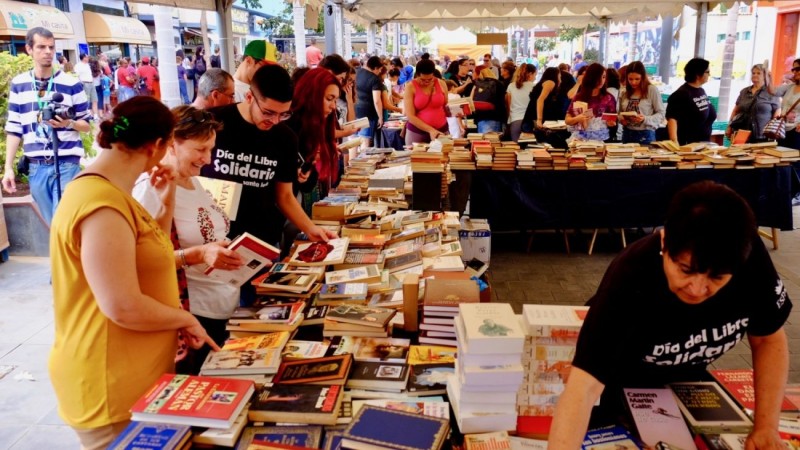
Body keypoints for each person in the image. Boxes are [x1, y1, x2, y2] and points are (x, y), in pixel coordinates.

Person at [548, 181, 792, 450]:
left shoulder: (747, 257)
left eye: (717, 277)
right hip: (617, 386)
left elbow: (768, 339)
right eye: (686, 269)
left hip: (687, 383)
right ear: (664, 242)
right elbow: (584, 388)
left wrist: (767, 428)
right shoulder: (630, 276)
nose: (697, 289)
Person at [49, 96, 218, 449]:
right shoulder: (102, 203)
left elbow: (149, 257)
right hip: (109, 381)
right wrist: (182, 319)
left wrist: (165, 197)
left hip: (135, 377)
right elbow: (121, 305)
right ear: (157, 145)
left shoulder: (114, 193)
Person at [133, 105, 245, 375]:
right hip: (192, 315)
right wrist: (197, 254)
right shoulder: (150, 189)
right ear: (171, 144)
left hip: (222, 307)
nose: (208, 159)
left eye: (210, 149)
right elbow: (144, 264)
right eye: (200, 149)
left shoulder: (193, 182)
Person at [201, 64, 336, 250]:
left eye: (283, 114)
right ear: (249, 97)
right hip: (214, 239)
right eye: (268, 112)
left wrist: (311, 229)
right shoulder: (213, 123)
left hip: (263, 241)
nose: (274, 121)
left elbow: (285, 196)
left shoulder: (285, 138)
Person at [2, 27, 92, 225]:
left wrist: (69, 122)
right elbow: (14, 128)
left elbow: (86, 125)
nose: (48, 52)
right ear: (29, 49)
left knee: (63, 223)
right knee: (53, 225)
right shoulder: (19, 84)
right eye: (41, 47)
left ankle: (69, 255)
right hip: (36, 167)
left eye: (51, 47)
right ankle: (67, 256)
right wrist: (8, 168)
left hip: (67, 162)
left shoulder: (71, 84)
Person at [284, 68, 343, 215]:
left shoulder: (315, 126)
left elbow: (307, 183)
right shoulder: (289, 126)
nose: (333, 106)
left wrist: (306, 173)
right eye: (329, 99)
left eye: (335, 100)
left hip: (291, 204)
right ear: (312, 95)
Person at [666, 57, 716, 145]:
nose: (709, 75)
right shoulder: (682, 94)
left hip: (703, 143)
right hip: (687, 145)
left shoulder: (700, 90)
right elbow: (672, 119)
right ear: (698, 74)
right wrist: (674, 142)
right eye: (707, 72)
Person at [727, 64, 780, 143]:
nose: (755, 75)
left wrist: (773, 130)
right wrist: (729, 126)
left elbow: (777, 113)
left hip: (762, 135)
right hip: (741, 133)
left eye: (758, 73)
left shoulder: (771, 92)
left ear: (765, 76)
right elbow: (735, 111)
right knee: (739, 154)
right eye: (753, 73)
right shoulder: (744, 91)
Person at [565, 63, 617, 142]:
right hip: (580, 139)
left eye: (603, 77)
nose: (601, 80)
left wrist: (611, 123)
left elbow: (612, 120)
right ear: (590, 77)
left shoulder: (609, 98)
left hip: (601, 139)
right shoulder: (579, 97)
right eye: (598, 77)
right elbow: (567, 120)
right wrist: (578, 118)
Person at [403, 59, 449, 145]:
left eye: (430, 79)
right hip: (417, 132)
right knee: (417, 157)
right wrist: (431, 130)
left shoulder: (441, 83)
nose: (426, 82)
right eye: (423, 79)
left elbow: (446, 106)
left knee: (443, 157)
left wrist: (457, 111)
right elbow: (410, 115)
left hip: (441, 130)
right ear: (417, 75)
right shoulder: (410, 87)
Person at [618, 61, 665, 145]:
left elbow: (661, 114)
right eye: (630, 79)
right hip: (627, 133)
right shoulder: (624, 92)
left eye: (637, 79)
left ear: (643, 77)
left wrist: (644, 119)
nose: (633, 82)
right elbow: (619, 113)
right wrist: (621, 119)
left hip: (646, 134)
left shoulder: (651, 90)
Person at [354, 56, 385, 147]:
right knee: (364, 140)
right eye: (379, 70)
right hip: (367, 114)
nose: (379, 72)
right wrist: (380, 117)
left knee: (352, 143)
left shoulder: (356, 73)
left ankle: (350, 161)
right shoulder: (375, 79)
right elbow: (377, 100)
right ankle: (364, 161)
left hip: (353, 111)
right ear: (375, 68)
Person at [506, 63, 537, 142]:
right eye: (535, 75)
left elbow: (508, 106)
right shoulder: (534, 87)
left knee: (515, 149)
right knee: (530, 151)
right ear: (530, 74)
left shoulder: (511, 86)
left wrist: (509, 121)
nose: (535, 77)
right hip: (529, 122)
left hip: (515, 120)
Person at [471, 68, 507, 133]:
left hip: (482, 117)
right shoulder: (499, 84)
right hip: (496, 117)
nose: (472, 75)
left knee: (485, 142)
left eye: (473, 72)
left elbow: (471, 101)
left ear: (478, 74)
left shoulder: (478, 85)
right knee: (492, 141)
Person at [776, 58, 800, 149]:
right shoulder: (790, 87)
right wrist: (768, 77)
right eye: (794, 69)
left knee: (794, 161)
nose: (795, 72)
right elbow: (773, 91)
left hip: (797, 131)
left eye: (798, 69)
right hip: (783, 129)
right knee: (780, 159)